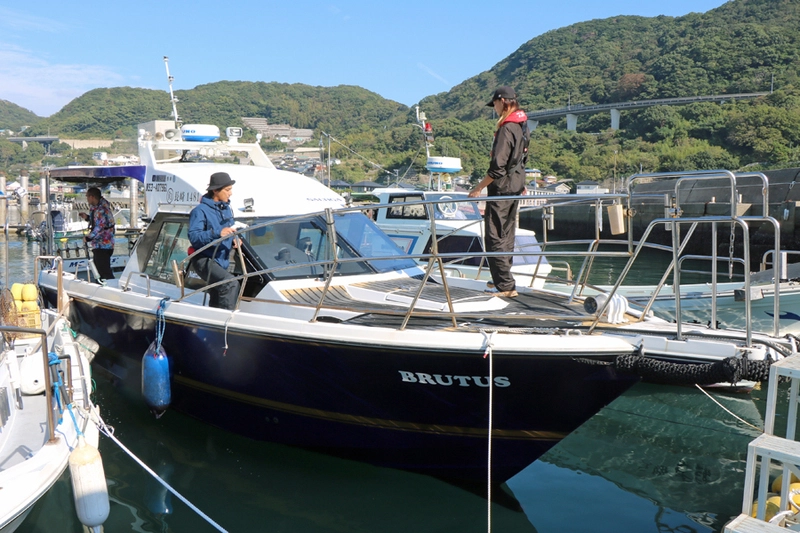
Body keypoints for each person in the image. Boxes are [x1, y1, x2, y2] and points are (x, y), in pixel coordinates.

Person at [468, 86, 530, 298]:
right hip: (515, 186)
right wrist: (521, 182)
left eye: (494, 103)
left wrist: (478, 188)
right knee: (507, 234)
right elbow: (521, 159)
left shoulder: (506, 128)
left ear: (502, 101)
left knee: (495, 235)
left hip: (502, 188)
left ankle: (504, 286)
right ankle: (502, 280)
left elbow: (498, 167)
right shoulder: (522, 124)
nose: (493, 108)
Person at [188, 172, 239, 310]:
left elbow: (231, 229)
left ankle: (213, 321)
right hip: (204, 259)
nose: (231, 193)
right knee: (231, 283)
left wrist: (236, 238)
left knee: (217, 292)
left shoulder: (227, 209)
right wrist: (217, 233)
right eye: (227, 190)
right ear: (215, 190)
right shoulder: (199, 211)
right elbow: (194, 237)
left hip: (221, 259)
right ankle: (225, 322)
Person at [79, 187, 116, 281]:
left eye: (87, 196)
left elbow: (99, 227)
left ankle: (112, 289)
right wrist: (87, 217)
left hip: (103, 245)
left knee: (104, 271)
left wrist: (88, 238)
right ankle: (101, 287)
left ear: (92, 197)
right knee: (99, 270)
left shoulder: (101, 209)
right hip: (99, 244)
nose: (86, 198)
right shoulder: (96, 207)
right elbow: (97, 221)